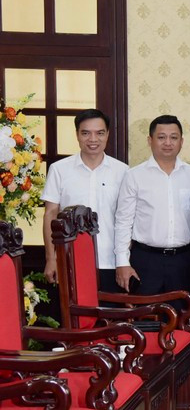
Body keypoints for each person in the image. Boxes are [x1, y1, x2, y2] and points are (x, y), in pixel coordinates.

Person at [114, 115, 190, 311]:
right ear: (150, 140)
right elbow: (123, 221)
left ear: (181, 141)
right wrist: (122, 262)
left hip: (183, 259)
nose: (168, 143)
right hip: (145, 260)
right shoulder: (134, 176)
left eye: (173, 137)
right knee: (143, 319)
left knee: (180, 318)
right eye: (161, 137)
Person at [42, 109, 128, 295]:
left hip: (111, 262)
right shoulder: (59, 170)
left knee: (112, 313)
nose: (93, 139)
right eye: (86, 133)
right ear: (77, 135)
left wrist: (125, 261)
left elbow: (128, 219)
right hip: (70, 260)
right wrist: (51, 258)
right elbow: (50, 214)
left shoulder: (123, 172)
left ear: (108, 134)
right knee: (72, 312)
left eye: (100, 133)